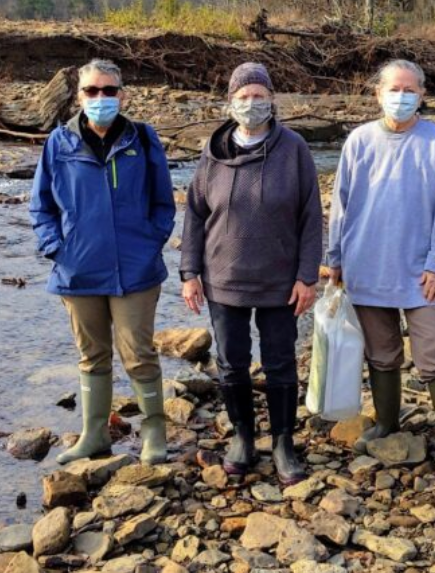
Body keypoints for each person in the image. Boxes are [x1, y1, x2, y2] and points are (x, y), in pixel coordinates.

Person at [327, 59, 435, 475]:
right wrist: (335, 259)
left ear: (423, 95)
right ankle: (387, 422)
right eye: (394, 89)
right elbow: (341, 202)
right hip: (366, 264)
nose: (402, 97)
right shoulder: (358, 141)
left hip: (423, 270)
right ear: (377, 94)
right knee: (382, 352)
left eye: (411, 90)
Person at [180, 62, 322, 485]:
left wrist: (307, 276)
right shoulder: (214, 151)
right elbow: (193, 213)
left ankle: (282, 442)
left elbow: (311, 217)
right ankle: (242, 436)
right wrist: (190, 272)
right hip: (223, 278)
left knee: (280, 363)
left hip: (281, 280)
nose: (251, 103)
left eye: (259, 96)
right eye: (243, 97)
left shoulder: (293, 149)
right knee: (231, 363)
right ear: (231, 102)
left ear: (272, 100)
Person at [30, 58, 176, 465]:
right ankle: (94, 436)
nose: (100, 98)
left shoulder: (143, 140)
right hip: (78, 272)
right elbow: (41, 207)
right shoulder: (58, 144)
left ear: (122, 95)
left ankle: (154, 437)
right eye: (91, 91)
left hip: (137, 271)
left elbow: (164, 203)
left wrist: (150, 244)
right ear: (78, 96)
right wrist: (56, 249)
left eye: (109, 91)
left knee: (139, 354)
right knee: (92, 356)